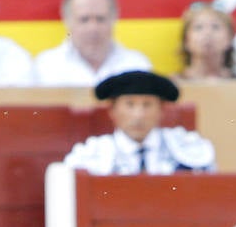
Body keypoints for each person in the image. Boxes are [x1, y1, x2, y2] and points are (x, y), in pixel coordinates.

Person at [63, 70, 215, 176]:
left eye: (147, 105)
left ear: (161, 110)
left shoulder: (189, 147)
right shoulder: (90, 153)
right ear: (112, 110)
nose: (139, 115)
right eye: (130, 104)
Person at [33, 0, 151, 87]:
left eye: (100, 19)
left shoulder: (136, 64)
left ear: (114, 19)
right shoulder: (45, 66)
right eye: (84, 19)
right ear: (67, 21)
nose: (93, 28)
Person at [173, 2, 236, 82]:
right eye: (198, 27)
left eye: (215, 27)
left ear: (229, 38)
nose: (207, 33)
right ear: (186, 40)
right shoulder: (171, 85)